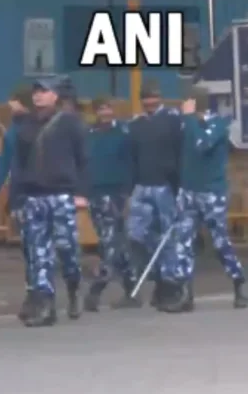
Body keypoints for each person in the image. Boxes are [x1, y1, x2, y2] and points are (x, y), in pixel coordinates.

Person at [13, 76, 88, 327]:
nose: (38, 95)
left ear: (55, 96)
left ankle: (74, 287)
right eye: (35, 91)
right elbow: (18, 164)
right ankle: (46, 306)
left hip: (61, 195)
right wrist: (17, 199)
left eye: (43, 91)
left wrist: (81, 193)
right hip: (34, 197)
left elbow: (84, 160)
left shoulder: (70, 124)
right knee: (39, 253)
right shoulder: (26, 126)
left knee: (67, 249)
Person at [170, 87, 248, 311]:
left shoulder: (219, 125)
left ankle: (239, 284)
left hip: (211, 193)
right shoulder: (186, 124)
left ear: (195, 103)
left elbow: (202, 144)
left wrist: (189, 118)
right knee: (183, 242)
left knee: (220, 242)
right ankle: (185, 294)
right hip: (188, 192)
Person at [126, 80, 183, 310]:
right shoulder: (136, 125)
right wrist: (129, 189)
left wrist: (179, 188)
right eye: (146, 98)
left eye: (153, 97)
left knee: (168, 238)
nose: (149, 101)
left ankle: (169, 286)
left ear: (159, 97)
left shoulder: (172, 120)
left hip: (166, 186)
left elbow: (180, 153)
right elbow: (131, 158)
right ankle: (156, 275)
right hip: (141, 186)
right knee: (136, 234)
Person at [83, 97, 139, 311]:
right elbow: (83, 164)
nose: (105, 112)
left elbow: (131, 164)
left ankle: (96, 290)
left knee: (110, 244)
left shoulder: (123, 133)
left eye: (108, 108)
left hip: (116, 195)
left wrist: (127, 193)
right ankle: (132, 289)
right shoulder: (89, 135)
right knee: (116, 244)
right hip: (94, 195)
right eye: (101, 109)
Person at [0, 84, 32, 321]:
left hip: (38, 193)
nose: (10, 106)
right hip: (19, 195)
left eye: (13, 101)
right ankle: (33, 293)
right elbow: (4, 162)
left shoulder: (37, 126)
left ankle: (42, 293)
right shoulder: (13, 130)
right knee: (29, 247)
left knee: (38, 247)